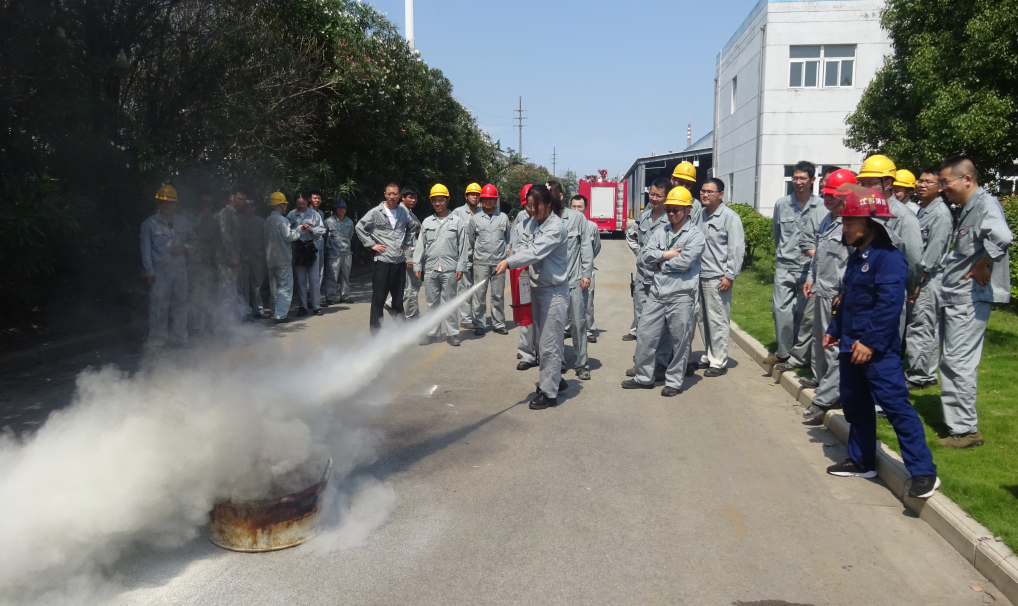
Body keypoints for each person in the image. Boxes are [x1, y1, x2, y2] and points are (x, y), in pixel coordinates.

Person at [821, 189, 940, 499]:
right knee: (855, 404)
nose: (844, 227)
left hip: (877, 351)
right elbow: (848, 300)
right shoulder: (858, 256)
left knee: (896, 406)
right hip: (850, 344)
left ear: (871, 224)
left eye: (850, 222)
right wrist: (835, 328)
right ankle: (862, 461)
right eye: (844, 221)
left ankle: (924, 472)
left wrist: (870, 342)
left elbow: (889, 305)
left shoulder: (889, 259)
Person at [935, 155, 1013, 448]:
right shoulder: (969, 208)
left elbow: (1003, 237)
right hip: (957, 297)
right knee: (952, 360)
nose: (943, 188)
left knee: (959, 361)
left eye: (946, 182)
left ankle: (966, 431)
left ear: (966, 179)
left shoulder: (985, 205)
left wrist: (982, 265)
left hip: (969, 298)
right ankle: (960, 425)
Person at [621, 186, 705, 397]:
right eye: (669, 210)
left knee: (680, 340)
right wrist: (667, 254)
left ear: (688, 210)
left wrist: (659, 262)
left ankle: (674, 382)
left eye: (676, 210)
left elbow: (685, 262)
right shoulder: (661, 232)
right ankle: (643, 377)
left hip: (681, 295)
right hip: (657, 293)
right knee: (646, 335)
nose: (671, 213)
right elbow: (644, 258)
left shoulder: (696, 236)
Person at [497, 184, 569, 410]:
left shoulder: (555, 227)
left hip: (554, 291)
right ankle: (556, 379)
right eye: (529, 206)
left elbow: (535, 251)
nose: (532, 211)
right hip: (537, 288)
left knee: (549, 343)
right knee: (539, 341)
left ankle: (549, 393)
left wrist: (510, 262)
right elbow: (524, 246)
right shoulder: (533, 223)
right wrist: (515, 254)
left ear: (548, 204)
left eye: (536, 206)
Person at [800, 169, 856, 422]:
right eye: (825, 193)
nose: (827, 198)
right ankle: (821, 379)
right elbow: (819, 254)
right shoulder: (827, 219)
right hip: (821, 289)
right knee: (820, 339)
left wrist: (846, 292)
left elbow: (853, 263)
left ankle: (829, 396)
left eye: (833, 194)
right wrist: (811, 278)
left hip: (837, 293)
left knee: (833, 345)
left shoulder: (852, 222)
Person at [856, 155, 924, 342]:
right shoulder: (863, 211)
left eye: (871, 183)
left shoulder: (904, 217)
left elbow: (914, 259)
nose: (865, 188)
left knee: (882, 351)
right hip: (862, 292)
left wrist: (910, 287)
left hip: (887, 296)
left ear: (888, 183)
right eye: (862, 183)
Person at [766, 161, 824, 371]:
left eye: (802, 178)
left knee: (804, 314)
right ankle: (784, 352)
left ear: (812, 180)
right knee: (780, 310)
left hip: (810, 267)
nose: (798, 182)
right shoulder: (782, 204)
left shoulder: (822, 207)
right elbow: (777, 235)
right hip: (785, 265)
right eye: (795, 178)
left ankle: (800, 355)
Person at [903, 168, 953, 391]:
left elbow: (933, 252)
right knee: (923, 325)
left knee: (921, 325)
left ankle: (919, 375)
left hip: (928, 278)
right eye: (920, 181)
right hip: (919, 276)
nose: (921, 185)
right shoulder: (922, 210)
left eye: (928, 182)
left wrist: (918, 281)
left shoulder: (940, 214)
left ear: (940, 187)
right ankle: (925, 371)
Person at [693, 177, 745, 376]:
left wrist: (729, 275)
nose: (704, 194)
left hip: (718, 277)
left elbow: (736, 248)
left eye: (710, 192)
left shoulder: (730, 217)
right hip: (700, 274)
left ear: (721, 195)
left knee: (717, 319)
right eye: (703, 191)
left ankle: (719, 361)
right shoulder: (701, 216)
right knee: (702, 318)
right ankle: (709, 354)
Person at [624, 177, 672, 381]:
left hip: (662, 281)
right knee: (643, 324)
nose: (654, 198)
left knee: (662, 325)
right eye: (651, 194)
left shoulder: (672, 220)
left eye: (658, 196)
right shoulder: (644, 217)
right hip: (643, 280)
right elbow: (632, 238)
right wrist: (642, 256)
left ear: (667, 197)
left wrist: (660, 261)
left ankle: (660, 364)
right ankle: (642, 363)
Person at [548, 180, 594, 380]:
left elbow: (586, 246)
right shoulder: (544, 219)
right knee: (556, 325)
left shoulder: (576, 218)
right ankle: (559, 362)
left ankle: (582, 363)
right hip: (552, 282)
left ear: (560, 196)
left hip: (574, 280)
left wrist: (586, 273)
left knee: (578, 323)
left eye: (553, 194)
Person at [356, 182, 416, 332]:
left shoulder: (403, 212)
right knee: (378, 299)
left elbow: (411, 227)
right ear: (384, 194)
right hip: (382, 262)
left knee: (397, 300)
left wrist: (407, 243)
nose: (392, 196)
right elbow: (359, 227)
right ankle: (376, 334)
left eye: (395, 194)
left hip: (399, 261)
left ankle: (400, 332)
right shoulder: (376, 212)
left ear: (399, 196)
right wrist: (371, 245)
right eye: (389, 194)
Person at [141, 185, 195, 348]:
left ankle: (181, 338)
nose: (167, 206)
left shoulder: (183, 222)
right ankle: (158, 340)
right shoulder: (149, 224)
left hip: (180, 271)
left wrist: (183, 247)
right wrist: (148, 272)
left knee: (181, 304)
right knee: (159, 307)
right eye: (163, 203)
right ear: (158, 204)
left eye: (170, 203)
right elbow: (145, 250)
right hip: (160, 273)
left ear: (175, 204)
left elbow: (194, 241)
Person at [414, 184, 469, 346]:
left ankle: (452, 333)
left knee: (450, 301)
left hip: (450, 268)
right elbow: (420, 246)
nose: (438, 204)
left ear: (447, 200)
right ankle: (432, 333)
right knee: (432, 303)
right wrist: (417, 265)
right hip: (431, 268)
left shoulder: (457, 222)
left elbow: (463, 246)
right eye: (434, 201)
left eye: (441, 200)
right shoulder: (427, 222)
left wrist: (461, 266)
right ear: (431, 202)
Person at [468, 184, 511, 336]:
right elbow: (471, 241)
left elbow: (508, 238)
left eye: (491, 199)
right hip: (481, 262)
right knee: (479, 295)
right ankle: (479, 323)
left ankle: (498, 323)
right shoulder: (476, 219)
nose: (488, 201)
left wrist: (507, 251)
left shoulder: (503, 218)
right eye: (485, 199)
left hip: (499, 262)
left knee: (497, 295)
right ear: (481, 200)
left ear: (495, 200)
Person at [565, 195, 602, 343]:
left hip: (586, 270)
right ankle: (568, 328)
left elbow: (596, 248)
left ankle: (588, 330)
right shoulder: (565, 225)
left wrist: (586, 264)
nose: (576, 209)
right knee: (567, 301)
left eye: (579, 207)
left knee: (587, 303)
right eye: (573, 206)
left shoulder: (592, 226)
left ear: (586, 209)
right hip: (569, 270)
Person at [264, 192, 303, 323]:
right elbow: (289, 236)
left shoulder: (267, 220)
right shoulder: (282, 220)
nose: (285, 207)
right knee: (285, 286)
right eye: (284, 205)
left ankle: (274, 311)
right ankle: (280, 315)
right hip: (283, 259)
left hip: (270, 259)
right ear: (281, 205)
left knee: (274, 288)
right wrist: (298, 229)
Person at [512, 184, 539, 370]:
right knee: (526, 316)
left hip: (545, 278)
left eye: (532, 205)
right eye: (526, 206)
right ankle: (527, 354)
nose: (529, 210)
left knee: (547, 321)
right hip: (524, 277)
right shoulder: (520, 226)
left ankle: (549, 355)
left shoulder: (549, 224)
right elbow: (515, 248)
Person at [183, 193, 217, 333]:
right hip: (192, 261)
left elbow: (215, 236)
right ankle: (193, 326)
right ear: (198, 201)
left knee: (206, 295)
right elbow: (186, 232)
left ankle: (203, 325)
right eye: (204, 202)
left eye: (209, 203)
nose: (207, 206)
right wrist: (201, 217)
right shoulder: (187, 215)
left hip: (206, 260)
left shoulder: (212, 218)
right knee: (193, 295)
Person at [288, 192, 326, 316]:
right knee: (300, 280)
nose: (301, 206)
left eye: (303, 204)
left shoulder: (315, 214)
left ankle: (316, 306)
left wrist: (312, 229)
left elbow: (322, 230)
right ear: (295, 204)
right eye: (298, 204)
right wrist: (297, 228)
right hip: (298, 250)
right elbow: (287, 232)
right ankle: (303, 307)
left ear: (307, 202)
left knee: (314, 279)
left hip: (312, 249)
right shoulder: (291, 215)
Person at [214, 186, 247, 328]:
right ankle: (226, 329)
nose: (242, 202)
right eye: (239, 199)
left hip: (232, 261)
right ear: (231, 197)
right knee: (228, 294)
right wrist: (232, 256)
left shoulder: (234, 214)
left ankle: (231, 327)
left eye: (244, 200)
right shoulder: (226, 213)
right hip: (226, 261)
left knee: (232, 293)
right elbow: (225, 235)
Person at [453, 183, 482, 328]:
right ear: (466, 196)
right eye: (472, 194)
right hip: (464, 257)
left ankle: (476, 317)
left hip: (479, 258)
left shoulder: (483, 213)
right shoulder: (457, 213)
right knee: (464, 287)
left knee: (477, 289)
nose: (475, 197)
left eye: (477, 195)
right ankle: (465, 318)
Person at [323, 199, 355, 305]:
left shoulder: (349, 222)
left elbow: (350, 236)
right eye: (338, 208)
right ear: (335, 209)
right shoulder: (328, 221)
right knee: (332, 275)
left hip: (346, 253)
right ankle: (330, 297)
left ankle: (345, 296)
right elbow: (324, 235)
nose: (341, 210)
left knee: (345, 275)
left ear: (346, 210)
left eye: (343, 208)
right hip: (333, 253)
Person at [239, 199, 266, 320]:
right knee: (244, 286)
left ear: (255, 207)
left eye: (252, 205)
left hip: (258, 257)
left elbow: (266, 240)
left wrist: (265, 255)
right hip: (243, 257)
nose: (249, 207)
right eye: (246, 205)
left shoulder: (261, 221)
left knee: (257, 285)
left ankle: (258, 310)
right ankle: (245, 311)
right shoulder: (238, 220)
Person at [400, 187, 423, 318]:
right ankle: (412, 316)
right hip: (407, 255)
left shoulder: (410, 213)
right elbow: (404, 237)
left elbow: (419, 226)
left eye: (415, 198)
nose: (413, 200)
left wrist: (415, 224)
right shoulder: (401, 213)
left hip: (412, 254)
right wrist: (409, 257)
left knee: (413, 285)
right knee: (411, 287)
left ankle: (392, 303)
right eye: (410, 197)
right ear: (403, 197)